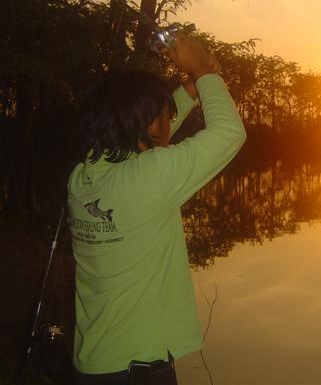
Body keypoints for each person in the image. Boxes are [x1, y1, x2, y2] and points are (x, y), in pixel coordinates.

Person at [67, 36, 246, 384]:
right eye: (165, 115)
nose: (169, 121)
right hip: (138, 368)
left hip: (93, 364)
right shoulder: (151, 177)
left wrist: (191, 91)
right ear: (149, 124)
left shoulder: (83, 175)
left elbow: (146, 142)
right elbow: (229, 133)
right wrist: (203, 71)